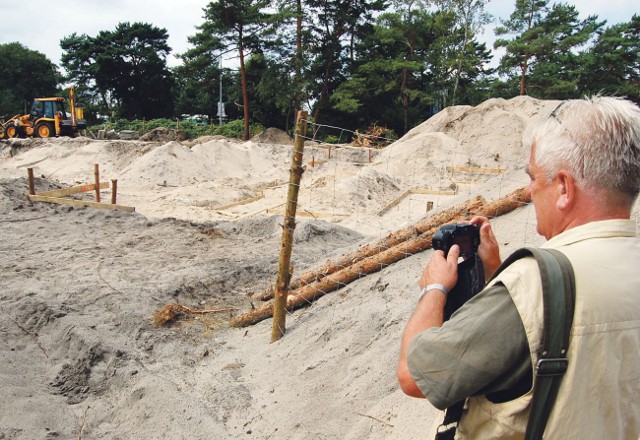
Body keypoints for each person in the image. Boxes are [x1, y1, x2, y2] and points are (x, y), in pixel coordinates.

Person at [397, 96, 640, 439]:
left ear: (565, 188)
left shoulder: (533, 284)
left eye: (534, 177)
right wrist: (496, 274)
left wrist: (433, 289)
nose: (528, 191)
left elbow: (413, 374)